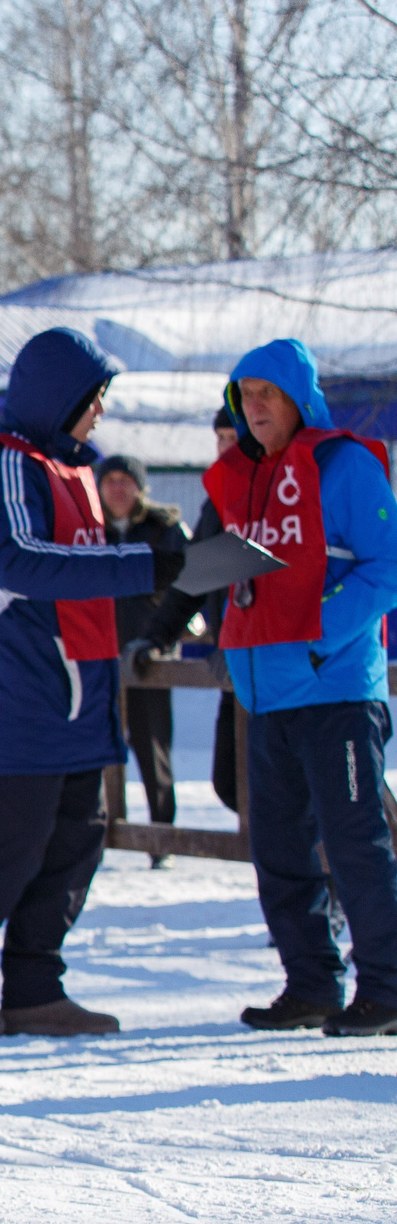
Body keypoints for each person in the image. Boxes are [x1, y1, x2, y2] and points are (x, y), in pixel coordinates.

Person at [0, 328, 177, 1040]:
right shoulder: (4, 461)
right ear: (60, 396)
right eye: (95, 398)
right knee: (10, 845)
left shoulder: (75, 471)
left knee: (73, 845)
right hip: (19, 690)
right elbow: (20, 560)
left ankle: (35, 988)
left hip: (83, 690)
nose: (100, 412)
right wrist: (143, 564)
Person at [200, 339, 397, 1035]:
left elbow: (386, 568)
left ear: (298, 399)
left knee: (355, 846)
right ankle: (311, 983)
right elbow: (230, 574)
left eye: (268, 393)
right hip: (265, 695)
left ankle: (387, 988)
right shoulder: (243, 477)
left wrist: (315, 637)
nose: (254, 407)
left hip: (335, 690)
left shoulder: (344, 465)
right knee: (279, 851)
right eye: (244, 395)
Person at [134, 409, 241, 814]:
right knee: (232, 782)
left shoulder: (279, 491)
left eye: (235, 438)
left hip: (281, 665)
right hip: (234, 664)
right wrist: (155, 637)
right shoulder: (220, 499)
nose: (226, 448)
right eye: (221, 438)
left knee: (287, 791)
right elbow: (195, 576)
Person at [94, 454, 188, 856]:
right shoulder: (89, 528)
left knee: (152, 746)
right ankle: (96, 834)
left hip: (149, 655)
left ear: (140, 487)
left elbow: (188, 583)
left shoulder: (164, 528)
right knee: (97, 745)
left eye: (125, 480)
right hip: (98, 653)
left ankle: (161, 838)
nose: (117, 488)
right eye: (110, 480)